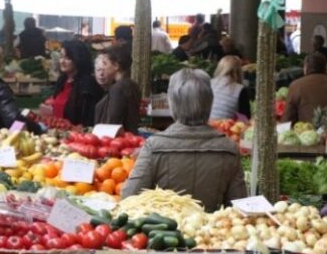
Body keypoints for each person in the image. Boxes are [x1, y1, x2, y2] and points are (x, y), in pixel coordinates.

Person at [121, 68, 246, 211]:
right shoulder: (229, 148)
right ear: (209, 102)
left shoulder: (154, 146)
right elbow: (239, 207)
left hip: (163, 231)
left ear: (173, 103)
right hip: (210, 230)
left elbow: (128, 198)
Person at [51, 40, 104, 126]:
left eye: (67, 58)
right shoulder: (62, 80)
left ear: (78, 59)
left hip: (78, 135)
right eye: (61, 57)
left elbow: (89, 118)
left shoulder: (88, 83)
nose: (62, 61)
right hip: (57, 132)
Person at [282, 53, 327, 123]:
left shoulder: (296, 86)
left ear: (306, 68)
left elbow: (287, 119)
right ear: (325, 69)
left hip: (305, 131)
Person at [94, 46, 141, 133]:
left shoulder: (117, 89)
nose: (102, 68)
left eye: (105, 64)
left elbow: (112, 123)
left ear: (116, 66)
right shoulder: (132, 85)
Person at [209, 56, 250, 120]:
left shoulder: (209, 83)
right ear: (239, 71)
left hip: (207, 126)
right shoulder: (240, 89)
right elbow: (244, 119)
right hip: (226, 127)